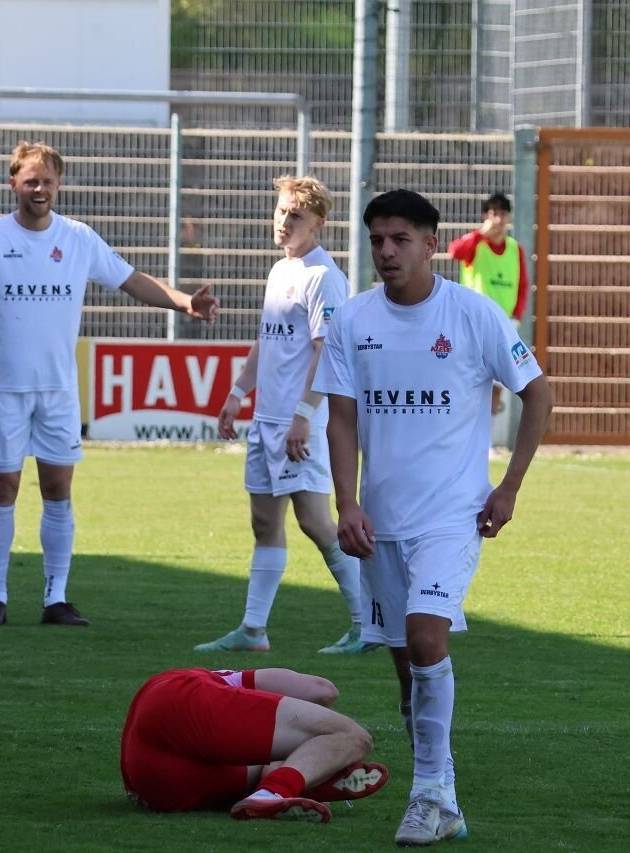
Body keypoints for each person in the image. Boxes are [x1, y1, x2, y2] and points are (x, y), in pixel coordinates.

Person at [314, 189, 552, 845]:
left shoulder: (472, 314)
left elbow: (537, 394)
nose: (387, 251)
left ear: (430, 244)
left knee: (425, 638)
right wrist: (347, 502)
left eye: (400, 239)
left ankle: (426, 795)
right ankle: (444, 795)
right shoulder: (352, 320)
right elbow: (341, 418)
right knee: (408, 675)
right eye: (377, 241)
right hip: (380, 523)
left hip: (452, 515)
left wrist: (509, 487)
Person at [0, 141, 219, 628]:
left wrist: (184, 301)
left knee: (58, 487)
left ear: (59, 185)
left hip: (57, 390)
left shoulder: (77, 238)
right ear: (13, 182)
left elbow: (130, 279)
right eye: (30, 180)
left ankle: (56, 598)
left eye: (47, 181)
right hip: (5, 389)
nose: (39, 189)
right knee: (5, 487)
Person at [195, 176, 371, 655]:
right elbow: (267, 340)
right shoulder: (280, 271)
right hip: (267, 419)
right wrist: (237, 392)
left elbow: (325, 351)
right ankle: (253, 630)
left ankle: (367, 623)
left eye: (295, 215)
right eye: (281, 212)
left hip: (300, 421)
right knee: (264, 522)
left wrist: (303, 414)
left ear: (318, 223)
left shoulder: (324, 277)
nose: (284, 222)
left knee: (316, 521)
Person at [121, 665, 389, 820]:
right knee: (353, 737)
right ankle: (276, 792)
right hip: (178, 704)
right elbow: (322, 691)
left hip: (154, 786)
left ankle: (295, 785)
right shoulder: (220, 681)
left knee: (268, 765)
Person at [448, 191, 530, 416]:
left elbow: (523, 284)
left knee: (497, 386)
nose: (498, 219)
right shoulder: (475, 243)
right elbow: (454, 252)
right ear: (486, 216)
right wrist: (480, 234)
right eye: (494, 213)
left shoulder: (514, 248)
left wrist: (517, 316)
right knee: (471, 382)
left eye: (503, 214)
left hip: (504, 324)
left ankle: (488, 434)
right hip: (474, 324)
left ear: (509, 218)